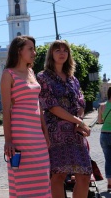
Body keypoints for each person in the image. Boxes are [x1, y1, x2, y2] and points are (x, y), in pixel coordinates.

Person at [37, 39, 92, 198]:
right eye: (57, 50)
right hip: (56, 133)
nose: (62, 53)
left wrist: (79, 122)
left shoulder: (73, 79)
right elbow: (52, 106)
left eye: (65, 50)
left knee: (84, 175)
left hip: (76, 133)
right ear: (51, 54)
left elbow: (80, 101)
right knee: (58, 174)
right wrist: (79, 121)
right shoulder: (43, 77)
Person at [1, 35, 51, 198]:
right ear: (18, 50)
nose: (34, 52)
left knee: (43, 178)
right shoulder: (8, 74)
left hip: (37, 135)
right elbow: (6, 109)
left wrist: (45, 132)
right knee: (23, 182)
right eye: (30, 49)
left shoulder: (31, 72)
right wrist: (8, 140)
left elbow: (38, 105)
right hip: (20, 134)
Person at [98, 87, 111, 192]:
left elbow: (99, 121)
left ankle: (109, 184)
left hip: (104, 135)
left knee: (108, 159)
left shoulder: (102, 106)